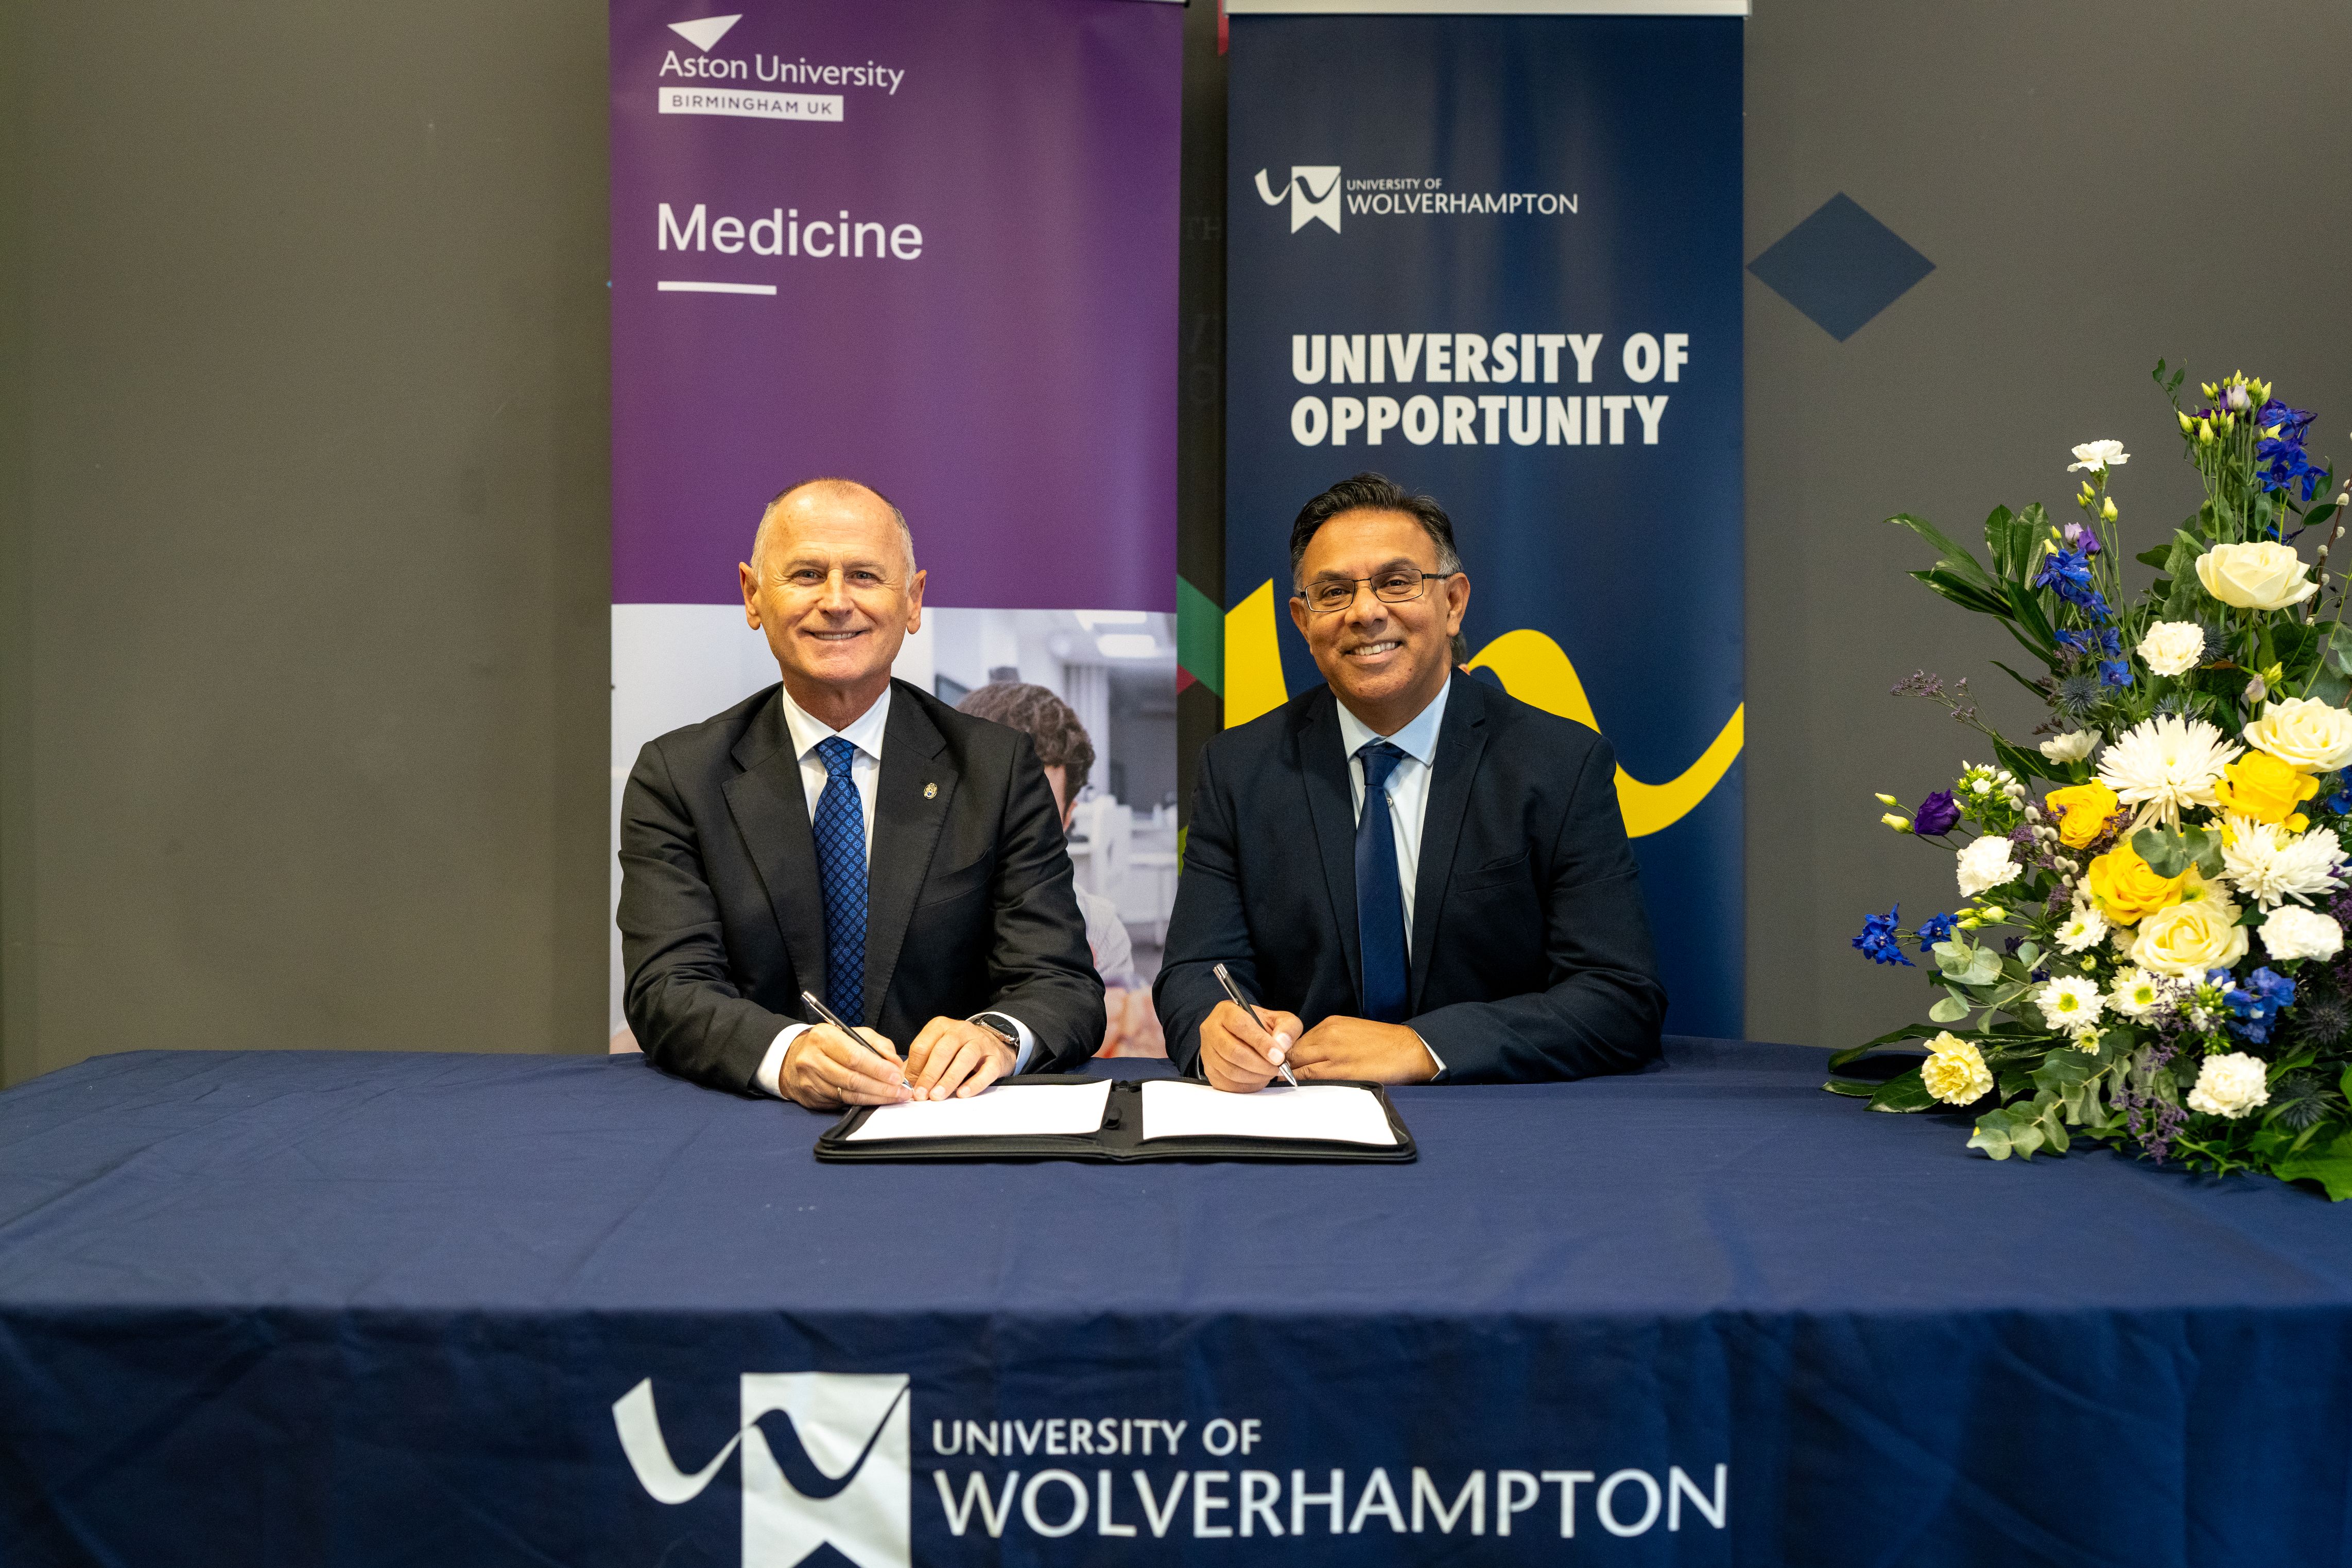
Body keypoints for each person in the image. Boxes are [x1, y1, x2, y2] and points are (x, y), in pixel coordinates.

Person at [1155, 472, 1666, 1091]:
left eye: (1397, 583)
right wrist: (1219, 1035)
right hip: (1301, 1123)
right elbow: (1193, 975)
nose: (1366, 612)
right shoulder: (1238, 769)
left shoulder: (1559, 763)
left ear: (1452, 603)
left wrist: (1424, 1047)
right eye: (1333, 591)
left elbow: (1618, 996)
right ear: (1302, 619)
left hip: (1503, 1126)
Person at [617, 478, 1103, 1107]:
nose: (836, 601)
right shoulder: (677, 776)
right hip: (748, 1129)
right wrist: (786, 1052)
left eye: (866, 576)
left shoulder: (998, 770)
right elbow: (667, 986)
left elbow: (1059, 982)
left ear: (913, 600)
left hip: (943, 1126)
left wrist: (997, 1038)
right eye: (807, 574)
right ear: (752, 595)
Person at [955, 681, 1167, 1057]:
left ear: (1068, 819)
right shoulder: (872, 902)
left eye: (1035, 819)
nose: (1005, 835)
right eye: (986, 806)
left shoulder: (1097, 932)